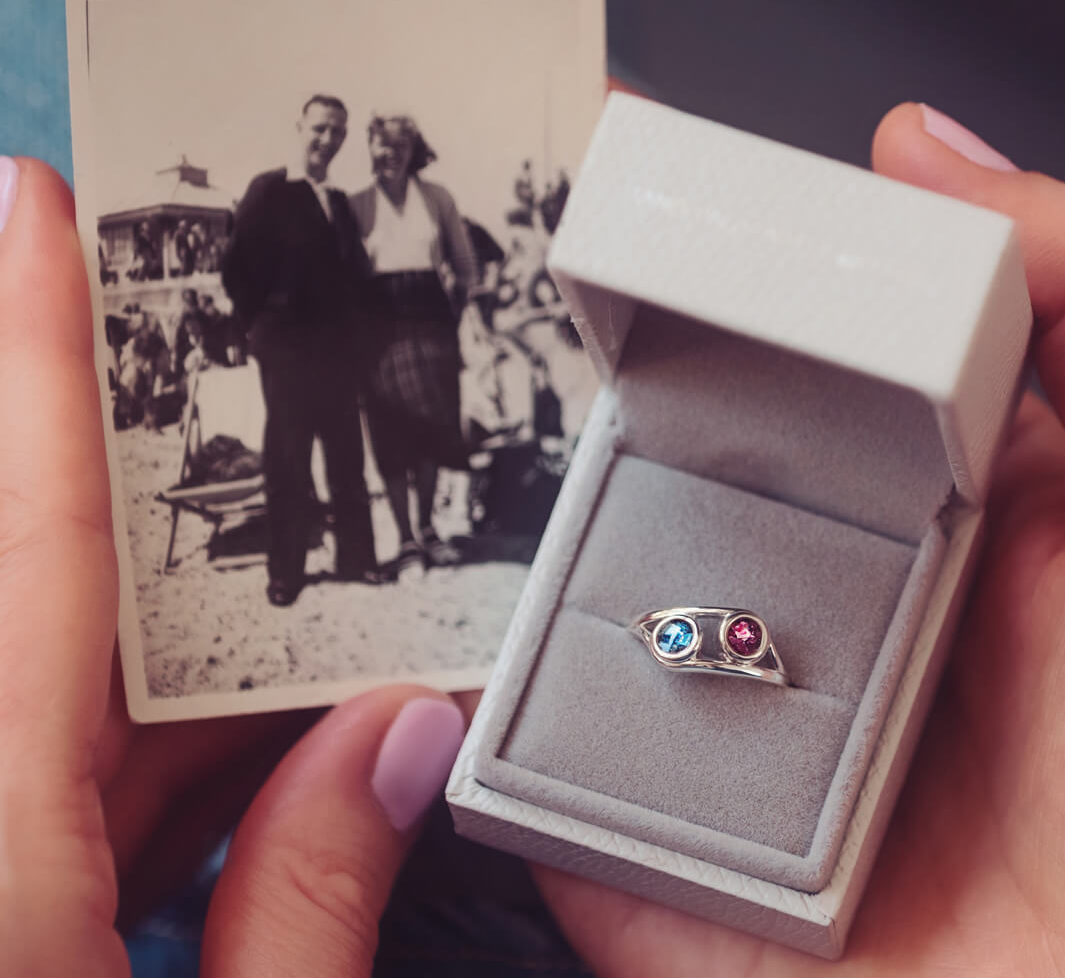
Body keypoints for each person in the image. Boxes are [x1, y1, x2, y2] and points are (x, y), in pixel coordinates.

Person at [3, 99, 1065, 976]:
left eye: (368, 139)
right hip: (327, 350)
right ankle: (334, 557)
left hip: (426, 350)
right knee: (329, 454)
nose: (357, 150)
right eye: (341, 138)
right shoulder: (308, 201)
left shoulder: (420, 204)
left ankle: (387, 548)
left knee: (398, 452)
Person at [221, 94, 388, 606]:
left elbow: (353, 278)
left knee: (345, 457)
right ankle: (286, 574)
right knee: (289, 463)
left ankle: (358, 560)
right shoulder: (270, 190)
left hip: (337, 354)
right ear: (299, 127)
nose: (327, 140)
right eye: (319, 128)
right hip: (287, 353)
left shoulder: (338, 201)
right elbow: (236, 268)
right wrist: (261, 331)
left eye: (337, 132)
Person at [350, 115, 479, 572]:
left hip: (431, 325)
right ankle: (405, 540)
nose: (391, 153)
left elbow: (466, 266)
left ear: (413, 149)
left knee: (432, 431)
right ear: (369, 148)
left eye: (400, 145)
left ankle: (426, 529)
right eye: (382, 145)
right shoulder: (355, 205)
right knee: (389, 433)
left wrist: (454, 314)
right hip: (379, 330)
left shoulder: (437, 198)